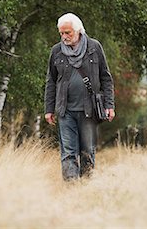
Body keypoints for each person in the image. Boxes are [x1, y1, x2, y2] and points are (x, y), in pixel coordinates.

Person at [44, 12, 115, 181]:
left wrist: (109, 105)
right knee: (68, 152)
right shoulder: (56, 51)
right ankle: (71, 187)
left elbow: (106, 77)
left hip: (89, 110)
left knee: (87, 151)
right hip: (65, 110)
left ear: (78, 31)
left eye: (67, 33)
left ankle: (86, 185)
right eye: (61, 33)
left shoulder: (94, 48)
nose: (64, 37)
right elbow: (51, 81)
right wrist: (49, 109)